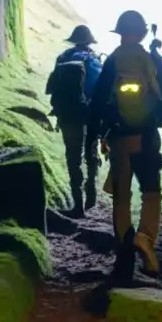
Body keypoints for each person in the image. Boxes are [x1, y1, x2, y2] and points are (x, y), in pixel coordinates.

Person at [87, 10, 162, 281]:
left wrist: (92, 139)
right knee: (152, 194)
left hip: (119, 141)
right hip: (148, 141)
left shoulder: (113, 62)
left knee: (122, 198)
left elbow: (97, 103)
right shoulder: (153, 60)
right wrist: (155, 119)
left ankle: (124, 253)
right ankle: (146, 237)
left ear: (121, 34)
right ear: (141, 34)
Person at [46, 24, 104, 216]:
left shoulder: (63, 58)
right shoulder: (94, 60)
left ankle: (77, 205)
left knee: (73, 158)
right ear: (89, 41)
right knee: (91, 155)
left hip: (68, 115)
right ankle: (91, 198)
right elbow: (100, 88)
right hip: (89, 115)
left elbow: (54, 86)